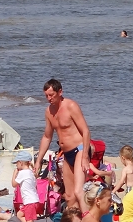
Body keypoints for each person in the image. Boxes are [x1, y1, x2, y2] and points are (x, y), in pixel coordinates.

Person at [34, 78, 91, 213]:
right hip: (66, 153)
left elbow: (86, 131)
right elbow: (47, 136)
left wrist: (84, 157)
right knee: (70, 197)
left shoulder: (71, 106)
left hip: (80, 149)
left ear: (60, 92)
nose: (49, 99)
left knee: (78, 192)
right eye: (46, 96)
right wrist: (38, 160)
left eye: (51, 95)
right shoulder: (49, 111)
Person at [12, 151, 39, 222]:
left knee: (29, 221)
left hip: (29, 201)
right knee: (20, 214)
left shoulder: (23, 173)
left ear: (21, 162)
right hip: (33, 200)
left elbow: (13, 184)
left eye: (16, 163)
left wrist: (14, 173)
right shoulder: (30, 172)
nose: (16, 165)